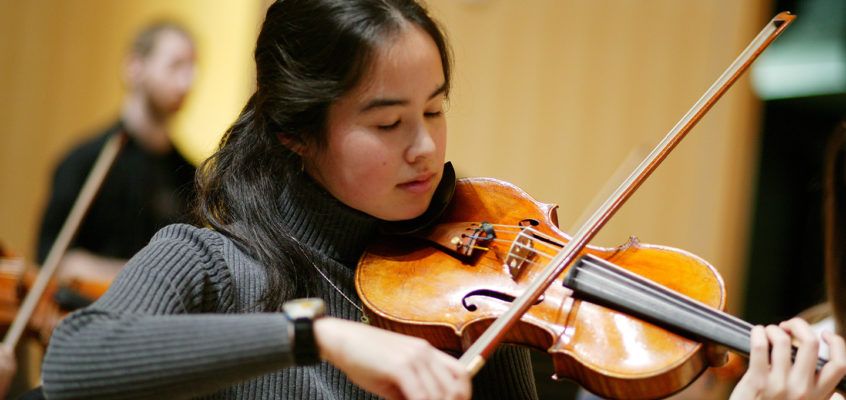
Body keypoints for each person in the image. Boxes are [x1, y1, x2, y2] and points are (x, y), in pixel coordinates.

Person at [39, 1, 846, 399]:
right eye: (388, 122)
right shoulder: (212, 262)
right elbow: (75, 362)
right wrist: (315, 337)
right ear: (295, 132)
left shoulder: (479, 287)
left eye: (435, 108)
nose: (426, 147)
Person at [36, 21, 197, 285]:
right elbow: (55, 262)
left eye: (192, 68)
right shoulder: (83, 162)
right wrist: (142, 277)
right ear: (135, 67)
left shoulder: (189, 177)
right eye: (175, 65)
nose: (187, 81)